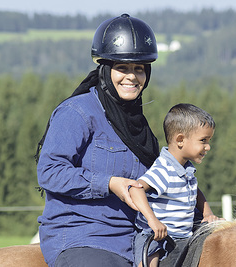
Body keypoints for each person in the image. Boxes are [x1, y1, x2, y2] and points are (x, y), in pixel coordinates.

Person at [36, 14, 160, 267]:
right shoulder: (77, 112)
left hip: (138, 238)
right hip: (83, 236)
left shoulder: (138, 124)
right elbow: (49, 172)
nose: (132, 77)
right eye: (122, 68)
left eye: (139, 69)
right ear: (105, 69)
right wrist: (109, 183)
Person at [129, 103, 222, 267]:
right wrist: (153, 221)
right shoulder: (164, 169)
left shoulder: (185, 169)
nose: (208, 147)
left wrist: (207, 213)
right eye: (203, 141)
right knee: (149, 260)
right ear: (180, 140)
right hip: (156, 237)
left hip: (181, 238)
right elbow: (136, 189)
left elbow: (195, 190)